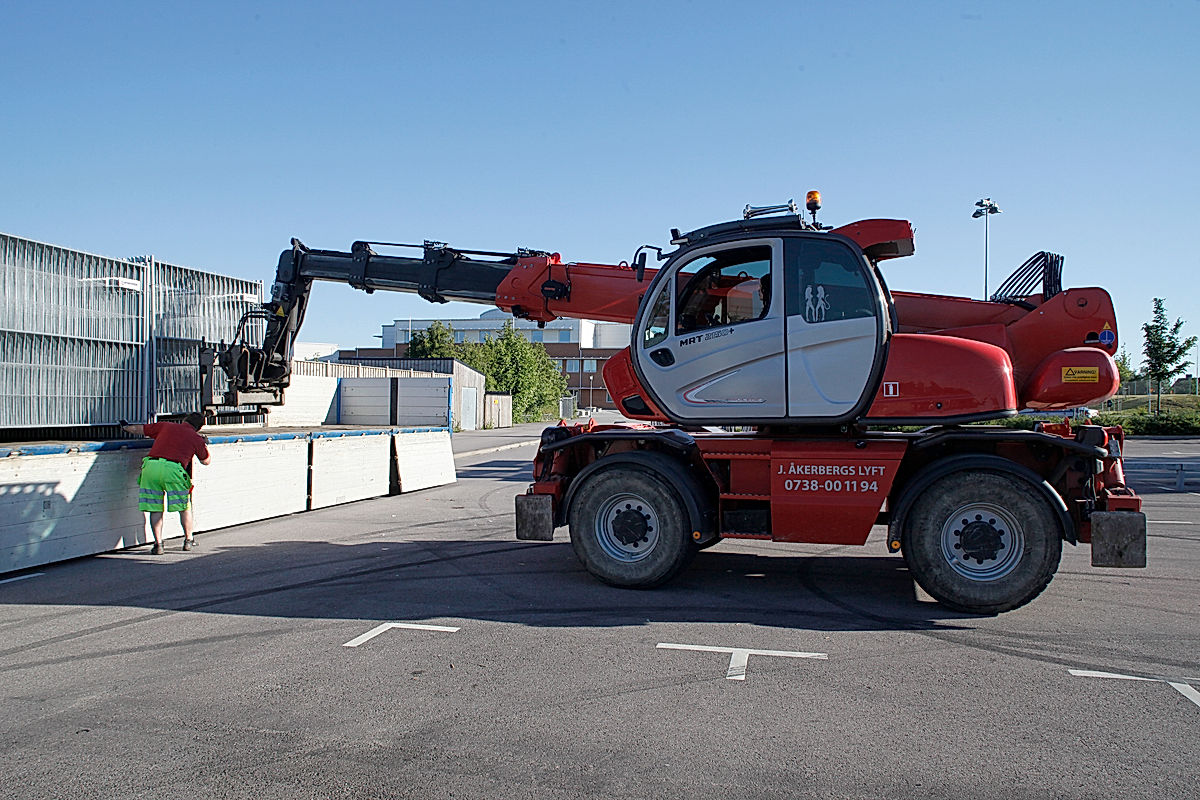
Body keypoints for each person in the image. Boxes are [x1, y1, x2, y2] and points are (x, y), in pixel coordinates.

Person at [119, 413, 211, 554]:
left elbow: (139, 429)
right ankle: (188, 540)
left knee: (155, 508)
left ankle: (158, 544)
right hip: (174, 470)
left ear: (184, 420)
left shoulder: (166, 426)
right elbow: (206, 461)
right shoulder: (196, 438)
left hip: (150, 467)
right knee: (184, 507)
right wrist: (204, 444)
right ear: (198, 428)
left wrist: (126, 427)